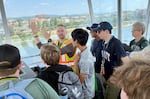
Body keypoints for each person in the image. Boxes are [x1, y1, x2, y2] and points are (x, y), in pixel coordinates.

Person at [94, 21, 129, 99]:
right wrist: (103, 67)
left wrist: (116, 76)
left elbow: (127, 62)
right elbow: (105, 57)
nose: (97, 33)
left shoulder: (116, 43)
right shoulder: (103, 43)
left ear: (106, 31)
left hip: (115, 79)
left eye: (99, 31)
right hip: (107, 76)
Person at [71, 28, 95, 99]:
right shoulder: (85, 51)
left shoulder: (85, 59)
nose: (71, 41)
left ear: (76, 41)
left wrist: (75, 63)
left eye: (72, 39)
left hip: (86, 94)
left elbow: (79, 81)